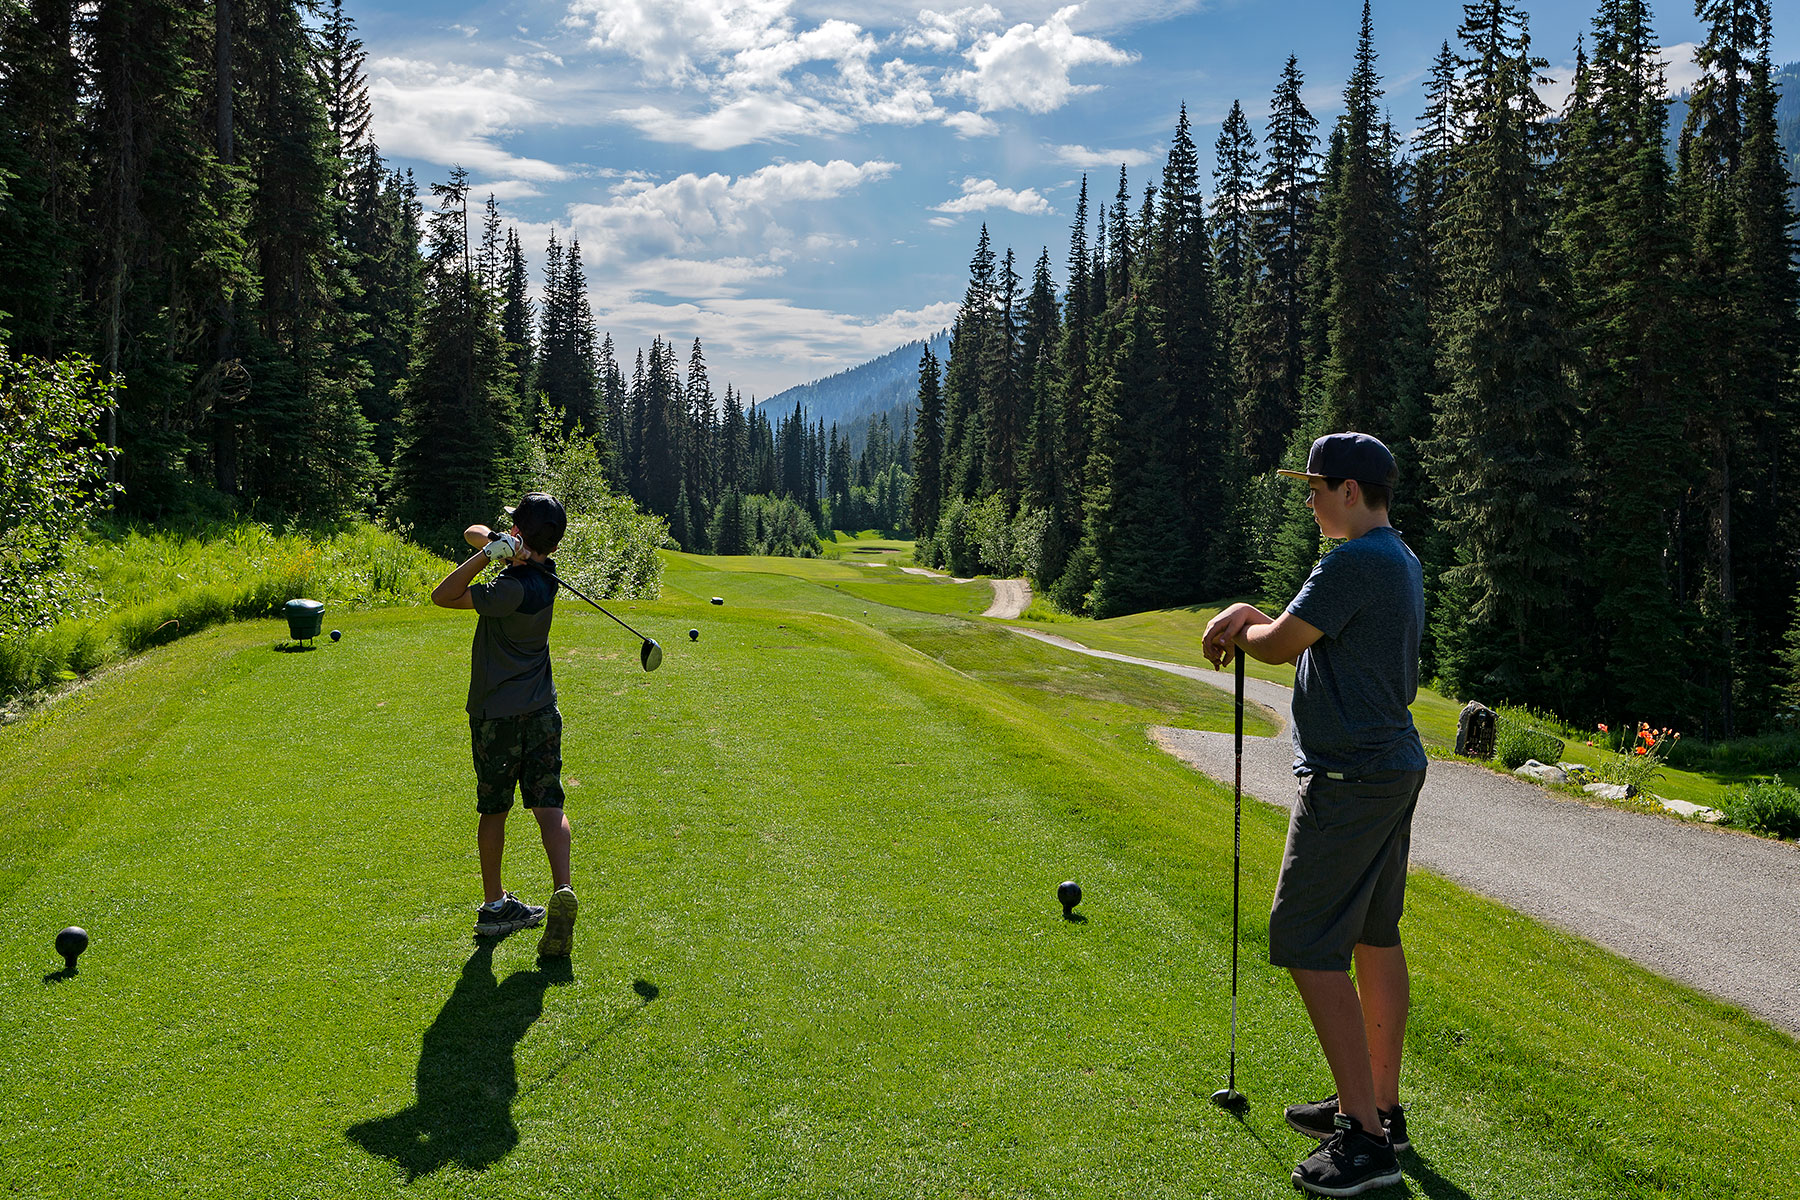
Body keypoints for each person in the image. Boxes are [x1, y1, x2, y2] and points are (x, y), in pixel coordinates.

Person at [1202, 432, 1426, 1198]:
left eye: (1318, 487)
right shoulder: (1395, 556)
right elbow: (1307, 638)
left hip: (1351, 778)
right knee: (1373, 932)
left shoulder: (1354, 560)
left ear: (1352, 493)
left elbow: (1277, 646)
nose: (1310, 500)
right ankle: (1382, 1107)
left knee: (1303, 937)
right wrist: (1249, 613)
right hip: (1388, 766)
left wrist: (1242, 624)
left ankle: (1363, 1139)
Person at [431, 492, 578, 958]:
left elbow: (443, 595)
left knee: (494, 809)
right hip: (541, 712)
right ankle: (562, 892)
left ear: (523, 535)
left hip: (495, 715)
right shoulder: (545, 578)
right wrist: (497, 543)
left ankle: (495, 906)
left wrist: (487, 556)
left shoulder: (506, 591)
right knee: (549, 804)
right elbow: (475, 529)